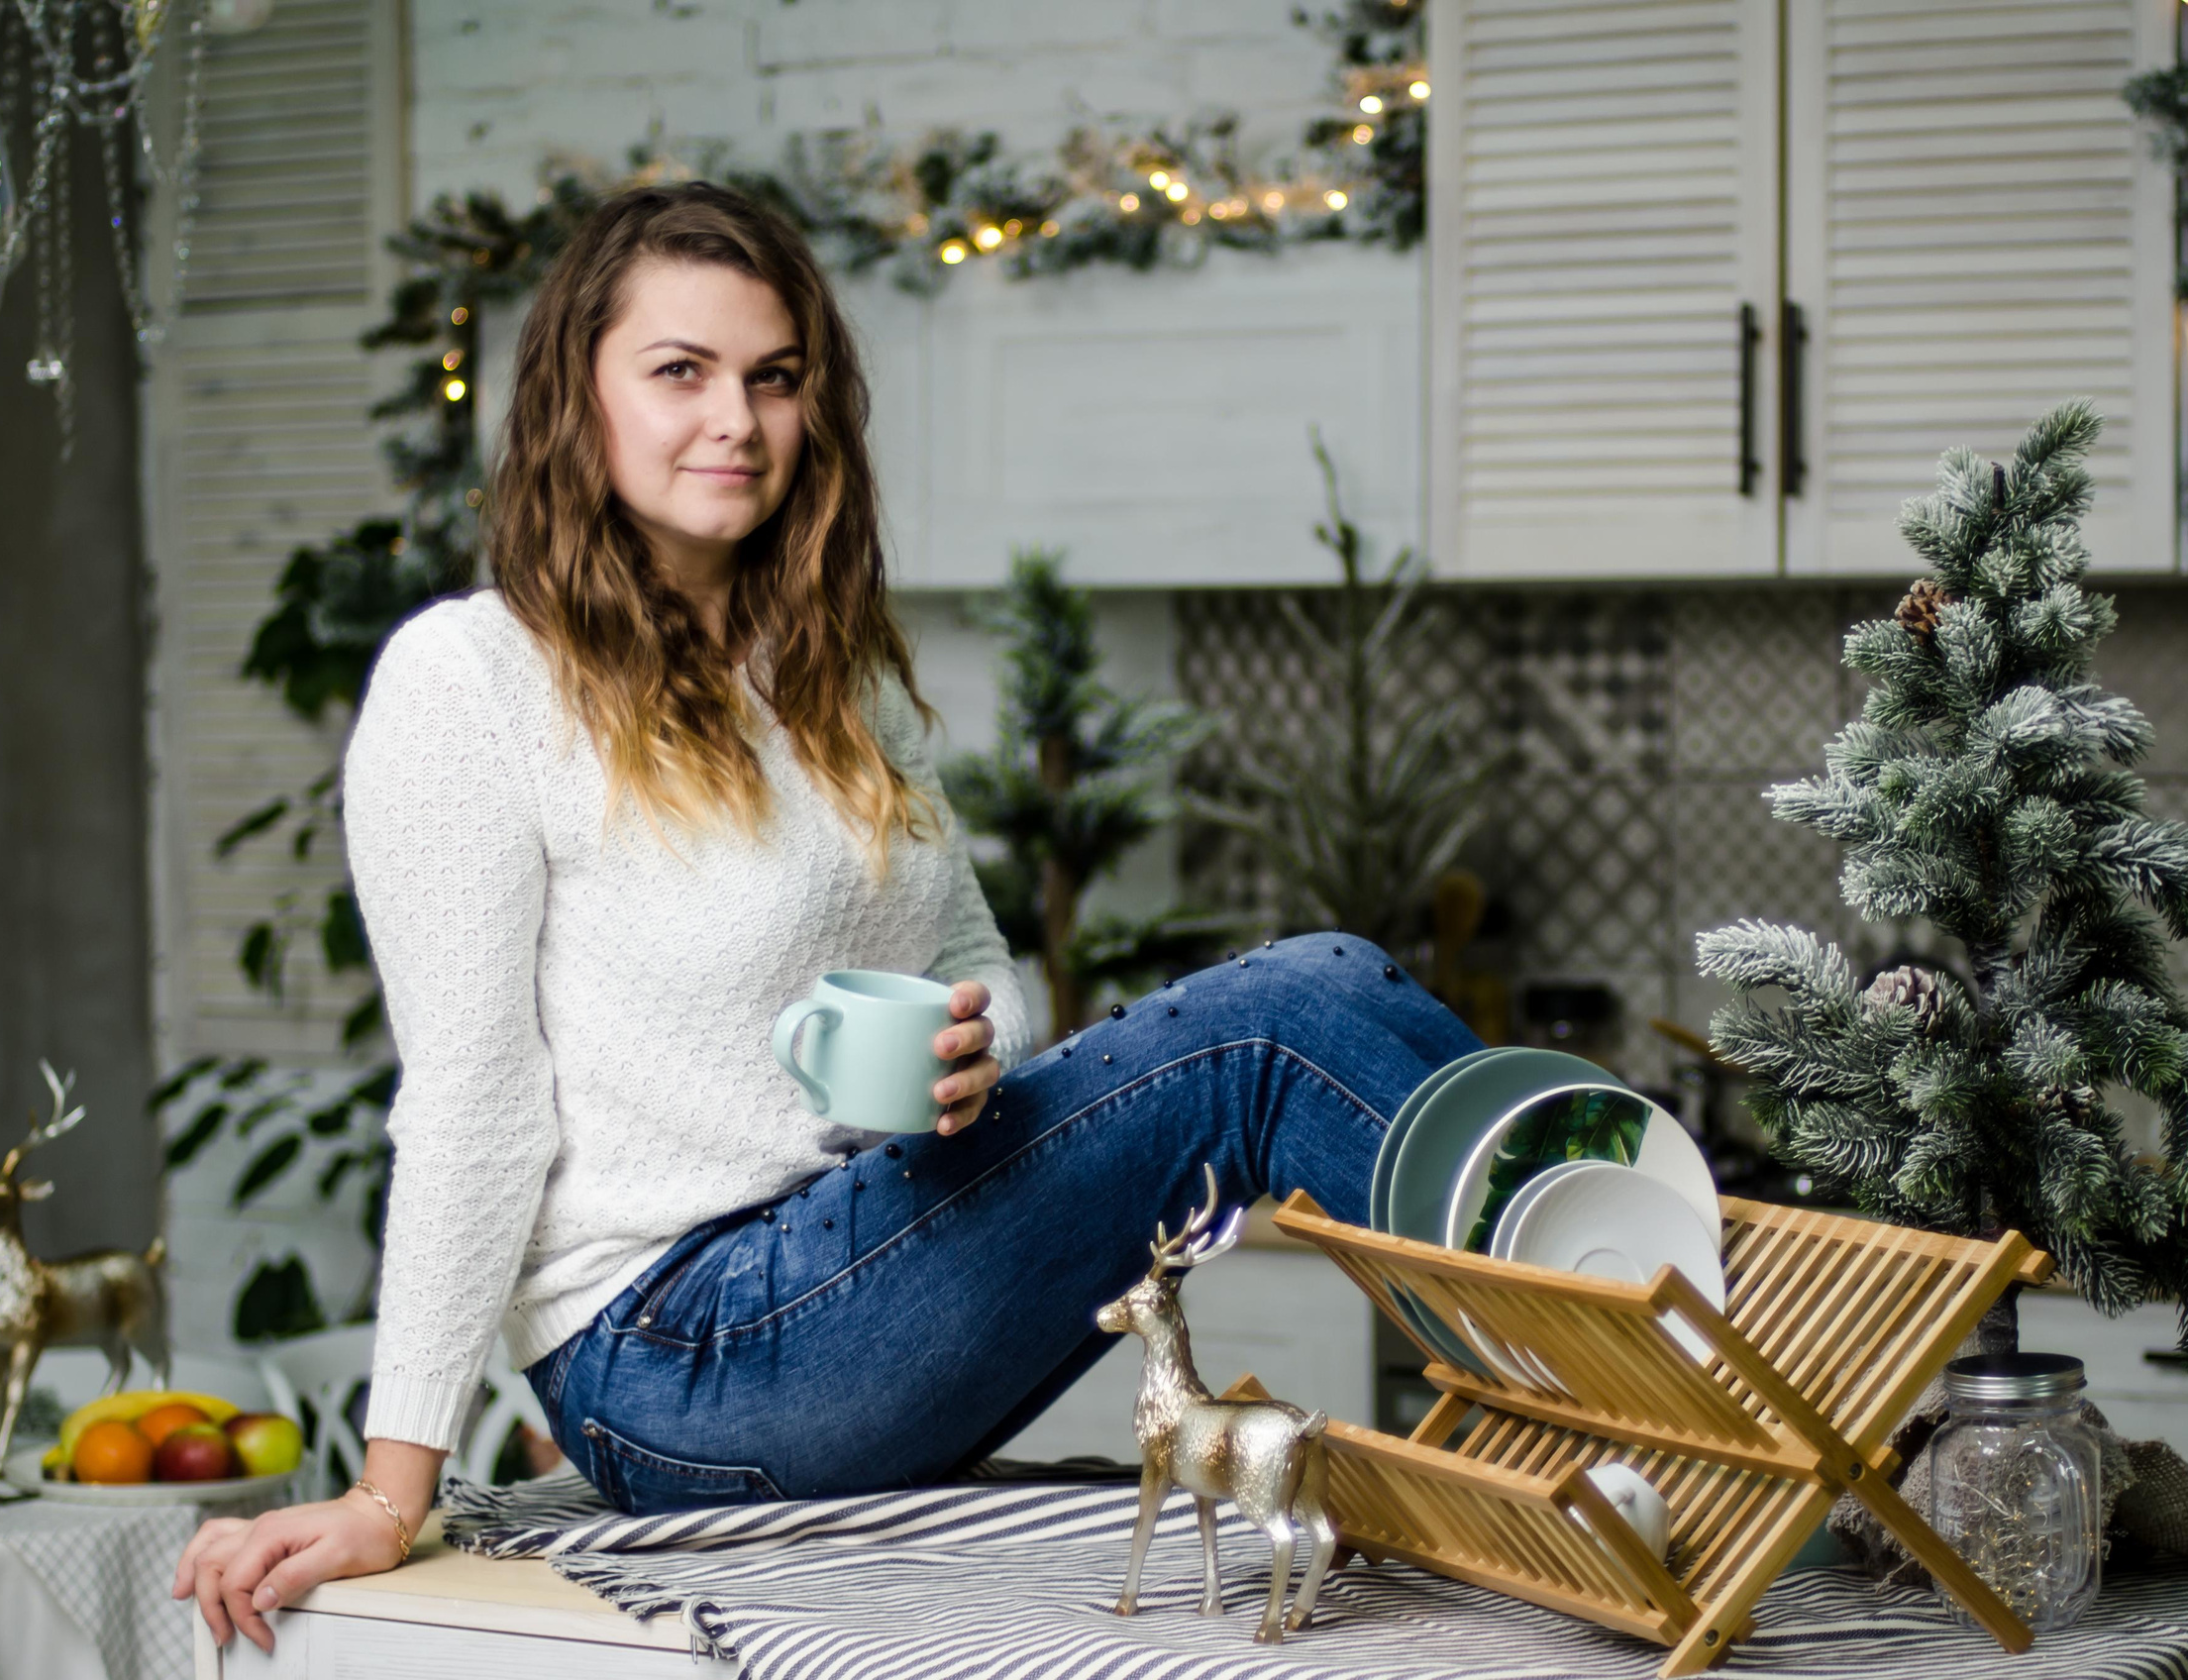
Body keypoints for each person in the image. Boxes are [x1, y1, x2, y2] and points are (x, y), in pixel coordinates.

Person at [173, 179, 1483, 1655]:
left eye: (774, 377)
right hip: (677, 1356)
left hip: (865, 1258)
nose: (734, 420)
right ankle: (1644, 1373)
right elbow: (472, 1103)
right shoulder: (470, 682)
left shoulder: (832, 673)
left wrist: (976, 1055)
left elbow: (973, 957)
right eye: (680, 371)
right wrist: (388, 1486)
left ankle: (1634, 1392)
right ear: (576, 398)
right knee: (1287, 1018)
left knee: (1328, 992)